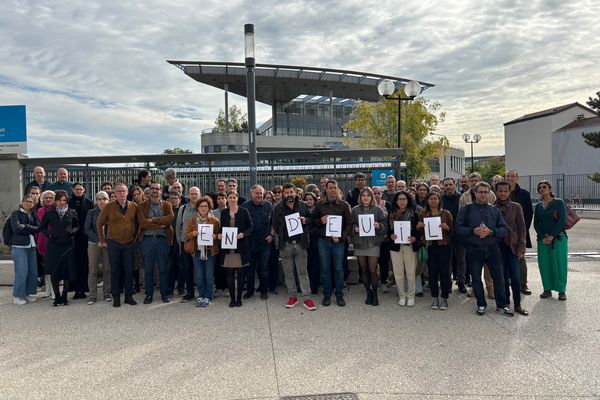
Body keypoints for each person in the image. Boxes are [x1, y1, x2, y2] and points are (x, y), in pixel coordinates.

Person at [455, 182, 512, 316]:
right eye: (480, 192)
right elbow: (458, 228)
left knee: (499, 278)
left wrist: (491, 232)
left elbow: (505, 229)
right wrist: (472, 231)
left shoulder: (494, 210)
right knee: (476, 278)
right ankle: (481, 304)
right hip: (474, 249)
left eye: (486, 192)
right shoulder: (466, 209)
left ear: (489, 194)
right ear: (475, 193)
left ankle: (501, 305)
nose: (483, 194)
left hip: (492, 248)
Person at [273, 184, 316, 311]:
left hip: (300, 244)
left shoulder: (302, 205)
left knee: (303, 272)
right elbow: (275, 225)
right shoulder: (278, 208)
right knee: (288, 273)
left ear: (295, 193)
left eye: (291, 191)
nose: (289, 194)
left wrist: (305, 220)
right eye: (287, 192)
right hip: (285, 244)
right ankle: (292, 296)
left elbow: (311, 219)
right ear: (283, 194)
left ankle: (307, 298)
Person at [97, 183, 139, 307]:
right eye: (119, 191)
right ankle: (116, 297)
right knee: (115, 270)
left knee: (129, 270)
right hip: (113, 243)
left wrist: (134, 237)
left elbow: (138, 223)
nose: (121, 193)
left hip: (128, 243)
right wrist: (102, 239)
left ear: (127, 193)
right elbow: (99, 223)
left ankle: (128, 296)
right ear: (114, 193)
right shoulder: (109, 206)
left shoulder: (133, 206)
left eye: (123, 191)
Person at [313, 180, 352, 307]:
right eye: (330, 188)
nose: (333, 190)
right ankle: (327, 294)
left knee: (338, 269)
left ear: (337, 189)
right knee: (325, 269)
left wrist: (342, 237)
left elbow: (349, 224)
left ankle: (339, 294)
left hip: (338, 242)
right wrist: (320, 221)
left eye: (335, 187)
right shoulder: (319, 205)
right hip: (323, 241)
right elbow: (313, 222)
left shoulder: (344, 205)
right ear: (326, 189)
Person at [39, 190, 79, 306]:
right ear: (55, 201)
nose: (62, 202)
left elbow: (77, 225)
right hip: (54, 246)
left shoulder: (72, 212)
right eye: (59, 200)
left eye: (64, 200)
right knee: (54, 271)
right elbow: (42, 228)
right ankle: (57, 297)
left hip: (68, 245)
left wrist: (72, 231)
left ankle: (64, 297)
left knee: (67, 271)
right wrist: (49, 234)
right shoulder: (50, 213)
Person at [494, 182, 529, 315]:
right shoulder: (492, 208)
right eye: (500, 191)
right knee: (502, 276)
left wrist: (522, 246)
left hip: (512, 246)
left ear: (509, 192)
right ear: (496, 192)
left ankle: (518, 304)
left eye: (505, 191)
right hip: (498, 246)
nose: (503, 193)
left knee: (515, 276)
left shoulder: (516, 207)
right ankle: (506, 302)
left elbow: (522, 228)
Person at [138, 182, 174, 304]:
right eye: (152, 188)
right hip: (147, 240)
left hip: (162, 240)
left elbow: (170, 219)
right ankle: (149, 295)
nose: (154, 190)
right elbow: (142, 223)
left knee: (163, 269)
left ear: (161, 191)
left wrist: (153, 220)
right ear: (149, 191)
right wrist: (161, 223)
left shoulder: (167, 204)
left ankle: (164, 294)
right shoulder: (142, 205)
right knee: (148, 269)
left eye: (157, 188)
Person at [351, 187, 387, 306]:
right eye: (363, 195)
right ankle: (368, 292)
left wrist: (379, 226)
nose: (365, 198)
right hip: (360, 243)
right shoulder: (355, 210)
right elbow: (350, 224)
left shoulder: (378, 209)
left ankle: (375, 293)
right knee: (364, 269)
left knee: (372, 270)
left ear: (372, 197)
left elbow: (385, 225)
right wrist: (354, 228)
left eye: (368, 195)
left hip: (373, 243)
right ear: (360, 197)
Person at [417, 192, 453, 310]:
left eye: (435, 198)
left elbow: (454, 231)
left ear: (439, 200)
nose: (433, 201)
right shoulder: (423, 214)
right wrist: (419, 227)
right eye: (431, 199)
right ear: (427, 201)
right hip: (430, 246)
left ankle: (444, 298)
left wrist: (447, 228)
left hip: (444, 246)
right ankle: (434, 298)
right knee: (432, 273)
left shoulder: (445, 213)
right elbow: (419, 233)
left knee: (444, 273)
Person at [534, 180, 568, 301]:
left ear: (550, 189)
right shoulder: (538, 206)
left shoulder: (558, 202)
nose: (542, 189)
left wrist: (552, 236)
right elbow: (536, 223)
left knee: (559, 264)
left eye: (544, 187)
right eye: (540, 187)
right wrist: (543, 236)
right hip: (543, 240)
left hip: (558, 238)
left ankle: (561, 290)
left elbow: (561, 220)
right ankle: (547, 289)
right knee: (544, 264)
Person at [218, 190, 253, 307]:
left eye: (234, 197)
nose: (232, 199)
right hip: (228, 248)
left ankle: (239, 299)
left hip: (241, 247)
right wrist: (219, 235)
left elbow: (250, 227)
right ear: (227, 199)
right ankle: (232, 299)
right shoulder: (223, 213)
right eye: (230, 197)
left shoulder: (244, 211)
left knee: (241, 274)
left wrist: (243, 234)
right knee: (230, 274)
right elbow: (220, 228)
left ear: (237, 198)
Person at [185, 196, 220, 307]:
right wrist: (193, 234)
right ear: (198, 208)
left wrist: (215, 236)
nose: (203, 208)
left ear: (209, 207)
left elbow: (218, 235)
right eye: (201, 206)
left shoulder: (214, 220)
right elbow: (187, 234)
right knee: (199, 276)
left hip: (210, 251)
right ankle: (201, 295)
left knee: (209, 275)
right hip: (197, 251)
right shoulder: (192, 220)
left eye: (206, 206)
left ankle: (208, 296)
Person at [241, 185, 274, 300]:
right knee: (250, 270)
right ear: (251, 194)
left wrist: (271, 235)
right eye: (257, 193)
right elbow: (242, 225)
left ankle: (264, 291)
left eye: (261, 193)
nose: (259, 195)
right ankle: (250, 291)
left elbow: (273, 222)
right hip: (249, 243)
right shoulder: (244, 207)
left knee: (263, 268)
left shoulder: (268, 205)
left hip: (265, 242)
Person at [388, 191, 420, 307]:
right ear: (396, 201)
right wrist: (391, 236)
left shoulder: (414, 214)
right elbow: (388, 231)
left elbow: (418, 231)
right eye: (400, 199)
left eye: (404, 199)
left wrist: (414, 238)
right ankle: (402, 295)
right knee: (398, 272)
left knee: (411, 272)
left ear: (408, 200)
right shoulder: (391, 214)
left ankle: (411, 296)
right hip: (395, 246)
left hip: (409, 245)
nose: (402, 201)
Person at [506, 169, 534, 295]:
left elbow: (529, 212)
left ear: (517, 178)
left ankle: (523, 284)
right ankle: (508, 282)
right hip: (504, 233)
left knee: (520, 258)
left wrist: (524, 229)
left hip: (519, 232)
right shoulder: (501, 192)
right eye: (508, 176)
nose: (510, 178)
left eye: (513, 176)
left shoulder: (524, 194)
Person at [9, 194, 40, 305]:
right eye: (26, 201)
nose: (28, 203)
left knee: (32, 271)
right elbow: (16, 228)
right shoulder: (15, 213)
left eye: (31, 202)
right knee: (21, 272)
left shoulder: (33, 214)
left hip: (31, 246)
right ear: (22, 201)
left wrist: (25, 226)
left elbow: (38, 228)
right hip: (19, 246)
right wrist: (30, 228)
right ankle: (17, 295)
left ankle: (28, 293)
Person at [84, 191, 112, 304]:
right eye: (99, 199)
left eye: (104, 199)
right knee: (93, 270)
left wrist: (106, 240)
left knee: (107, 269)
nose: (102, 201)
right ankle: (92, 296)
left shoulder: (111, 212)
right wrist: (99, 240)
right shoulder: (91, 212)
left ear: (108, 200)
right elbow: (87, 229)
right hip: (94, 244)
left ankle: (107, 294)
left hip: (108, 244)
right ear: (96, 201)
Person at [175, 186, 202, 301]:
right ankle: (190, 292)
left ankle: (202, 292)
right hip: (186, 242)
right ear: (188, 195)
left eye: (196, 193)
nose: (194, 196)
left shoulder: (203, 207)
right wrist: (180, 241)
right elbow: (178, 227)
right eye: (192, 193)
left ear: (199, 195)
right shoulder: (183, 208)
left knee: (200, 268)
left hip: (200, 243)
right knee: (187, 268)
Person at [69, 182, 94, 299]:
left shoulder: (89, 202)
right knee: (73, 263)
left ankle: (83, 289)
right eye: (76, 189)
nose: (78, 191)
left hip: (85, 238)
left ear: (84, 190)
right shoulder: (68, 202)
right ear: (73, 190)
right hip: (72, 238)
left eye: (80, 189)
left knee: (84, 264)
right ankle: (75, 290)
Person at [441, 177, 466, 293]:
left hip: (460, 233)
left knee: (461, 259)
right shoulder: (441, 198)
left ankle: (461, 282)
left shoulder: (461, 197)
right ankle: (448, 282)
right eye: (446, 185)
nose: (448, 187)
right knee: (447, 260)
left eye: (450, 184)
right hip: (445, 233)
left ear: (455, 185)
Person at [36, 190, 56, 299]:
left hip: (54, 241)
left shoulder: (57, 210)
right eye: (46, 198)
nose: (48, 200)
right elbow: (39, 226)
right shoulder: (39, 211)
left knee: (53, 267)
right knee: (46, 266)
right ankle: (48, 289)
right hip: (42, 240)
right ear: (42, 199)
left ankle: (54, 290)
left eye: (51, 198)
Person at [167, 191, 184, 296]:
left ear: (180, 200)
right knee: (169, 267)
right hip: (168, 243)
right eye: (171, 198)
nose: (173, 200)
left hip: (179, 242)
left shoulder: (182, 211)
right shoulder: (166, 210)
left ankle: (181, 288)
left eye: (175, 198)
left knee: (181, 266)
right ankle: (170, 288)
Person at [303, 192, 321, 295]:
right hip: (305, 242)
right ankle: (307, 286)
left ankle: (315, 287)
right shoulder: (302, 211)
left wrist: (309, 232)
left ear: (314, 200)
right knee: (306, 265)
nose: (309, 201)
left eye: (311, 199)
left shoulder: (318, 211)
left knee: (315, 265)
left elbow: (318, 225)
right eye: (307, 199)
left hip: (315, 241)